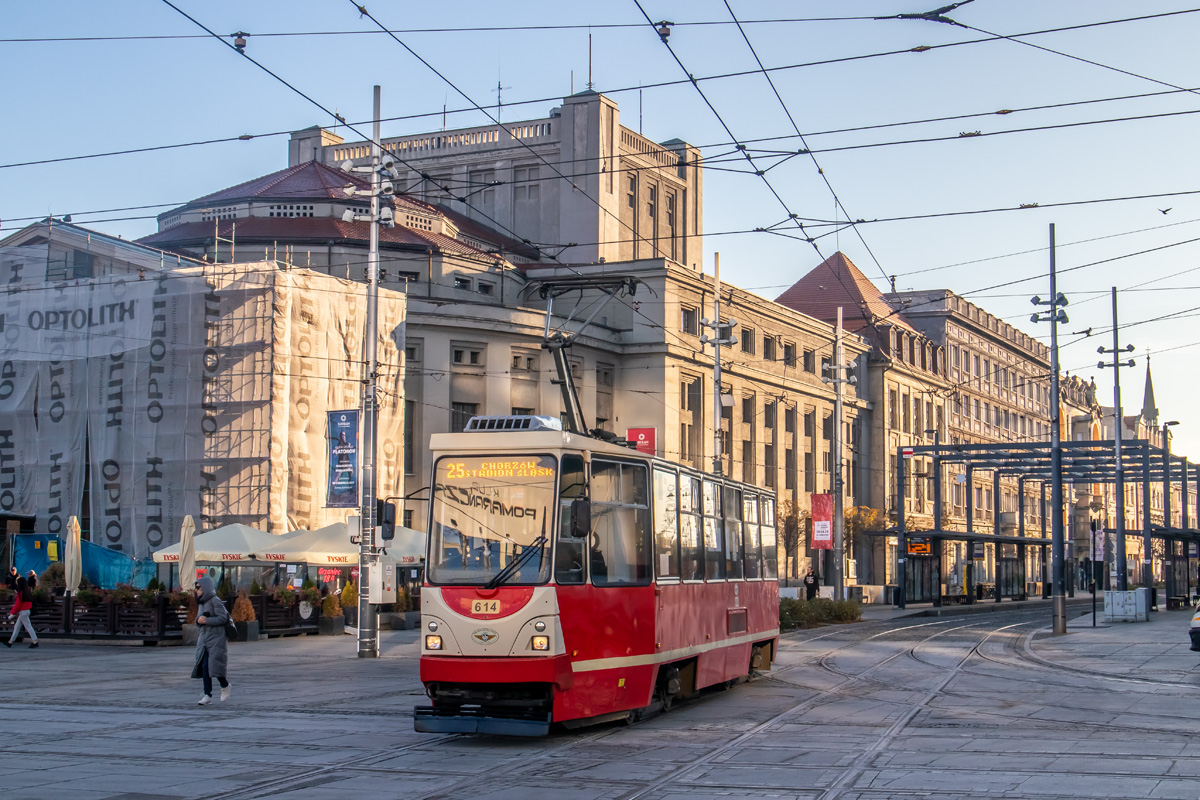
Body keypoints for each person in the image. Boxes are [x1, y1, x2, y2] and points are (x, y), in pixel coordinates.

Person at [191, 576, 230, 705]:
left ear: (205, 587)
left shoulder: (215, 601)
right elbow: (197, 620)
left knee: (214, 666)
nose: (196, 590)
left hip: (216, 638)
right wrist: (198, 621)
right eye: (196, 588)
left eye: (198, 587)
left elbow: (223, 618)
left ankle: (225, 686)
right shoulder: (201, 603)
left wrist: (207, 621)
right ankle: (207, 694)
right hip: (204, 639)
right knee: (204, 666)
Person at [5, 576, 38, 649]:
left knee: (28, 627)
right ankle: (10, 642)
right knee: (17, 626)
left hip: (23, 612)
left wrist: (12, 613)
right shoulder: (27, 591)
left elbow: (17, 605)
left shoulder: (20, 593)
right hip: (26, 611)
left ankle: (35, 641)